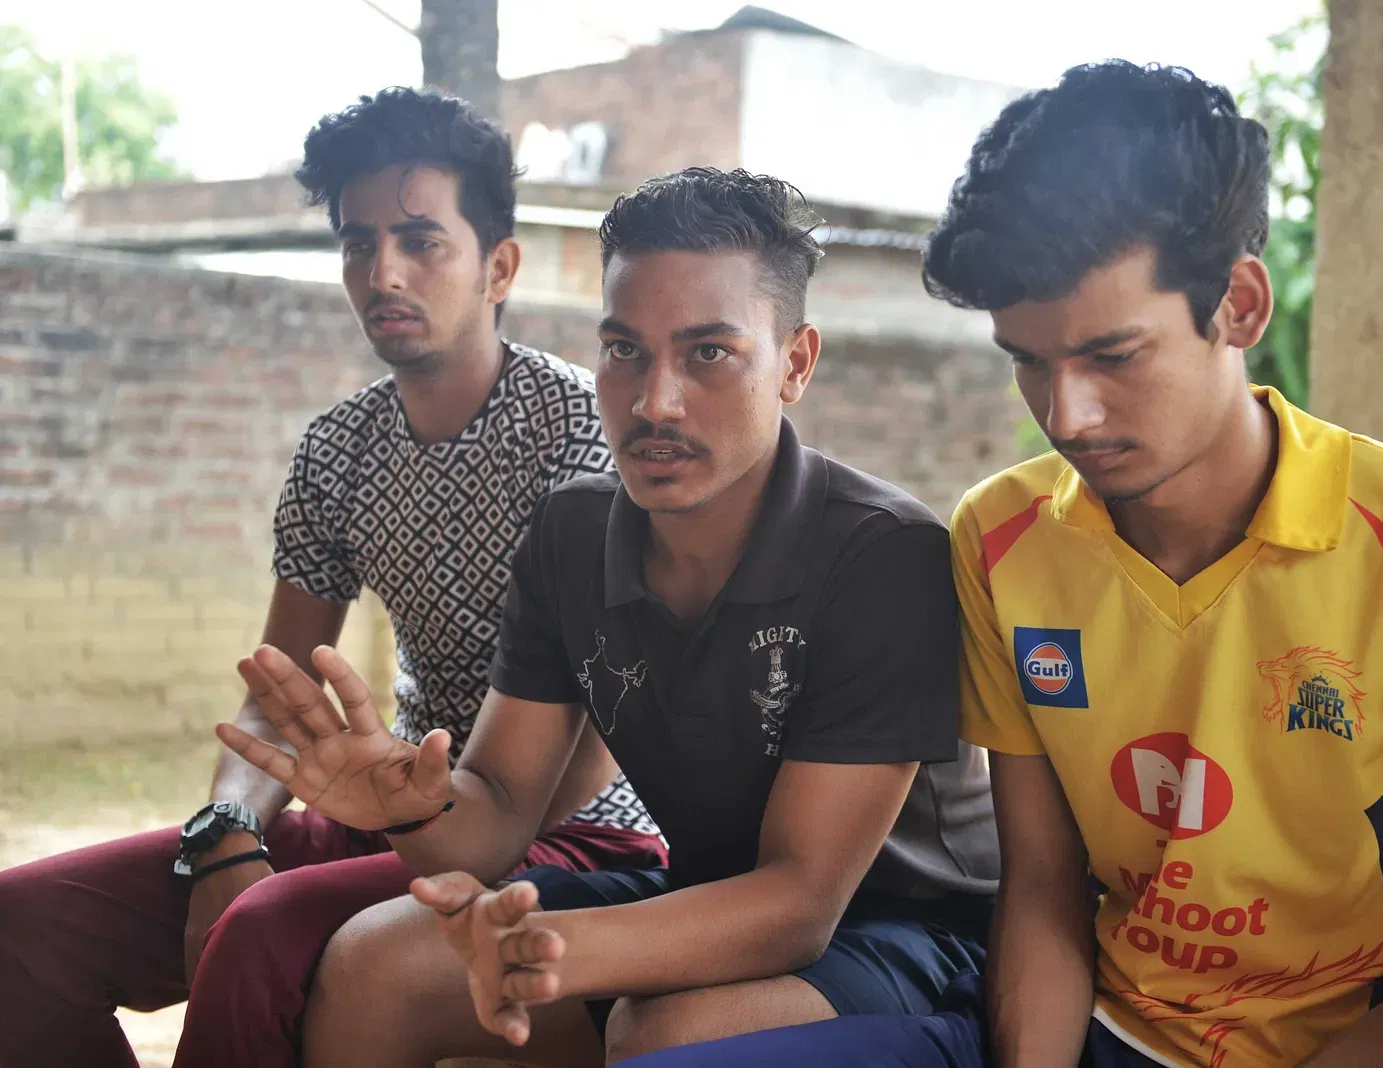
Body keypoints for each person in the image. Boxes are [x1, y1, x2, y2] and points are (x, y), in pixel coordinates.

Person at [615, 59, 1383, 1068]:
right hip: (1081, 1026)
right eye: (1028, 361)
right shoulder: (1002, 539)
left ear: (1239, 305)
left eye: (1113, 356)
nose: (1067, 415)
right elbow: (1041, 889)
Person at [215, 166, 1000, 1068]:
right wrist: (410, 807)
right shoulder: (574, 533)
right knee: (372, 967)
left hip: (911, 932)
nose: (654, 401)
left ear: (795, 363)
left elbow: (799, 903)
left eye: (709, 354)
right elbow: (496, 811)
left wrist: (553, 951)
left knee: (660, 1031)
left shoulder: (883, 552)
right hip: (701, 891)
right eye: (625, 350)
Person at [0, 87, 663, 1068]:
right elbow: (275, 692)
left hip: (575, 838)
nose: (382, 272)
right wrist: (228, 833)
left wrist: (424, 823)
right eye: (358, 244)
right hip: (382, 809)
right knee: (23, 928)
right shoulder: (338, 450)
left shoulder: (578, 437)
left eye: (421, 241)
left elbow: (590, 750)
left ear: (499, 266)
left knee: (259, 934)